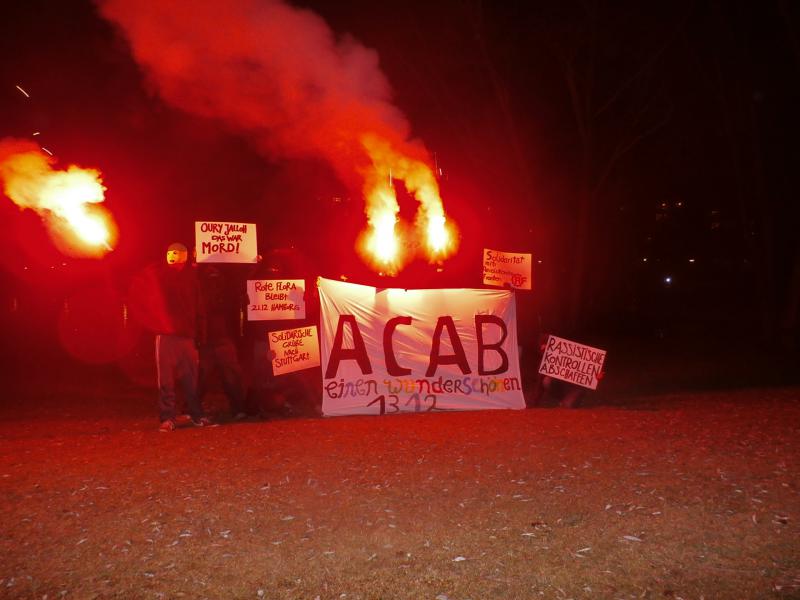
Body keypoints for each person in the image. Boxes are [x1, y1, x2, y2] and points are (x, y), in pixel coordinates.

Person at [149, 242, 212, 431]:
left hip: (187, 336)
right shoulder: (160, 276)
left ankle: (196, 414)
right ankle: (167, 418)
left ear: (184, 256)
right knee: (166, 380)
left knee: (191, 379)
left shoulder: (193, 279)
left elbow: (199, 308)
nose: (172, 256)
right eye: (169, 253)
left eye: (176, 253)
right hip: (165, 335)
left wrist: (201, 335)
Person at [197, 264, 247, 420]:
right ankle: (192, 408)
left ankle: (238, 408)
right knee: (201, 377)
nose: (214, 282)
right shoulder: (199, 291)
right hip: (209, 340)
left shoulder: (226, 292)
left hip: (221, 339)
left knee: (229, 376)